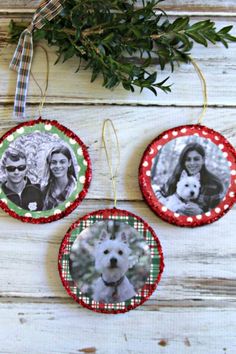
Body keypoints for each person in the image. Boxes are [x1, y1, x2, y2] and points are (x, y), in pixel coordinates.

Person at [157, 143, 224, 215]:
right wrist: (171, 206)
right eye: (188, 159)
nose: (192, 163)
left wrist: (201, 213)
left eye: (196, 159)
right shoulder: (175, 178)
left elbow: (217, 213)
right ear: (183, 162)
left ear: (203, 160)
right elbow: (157, 195)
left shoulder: (213, 185)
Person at [42, 145, 77, 210]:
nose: (58, 166)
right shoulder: (44, 191)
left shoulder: (77, 190)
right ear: (49, 165)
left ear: (69, 163)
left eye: (62, 162)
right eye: (54, 162)